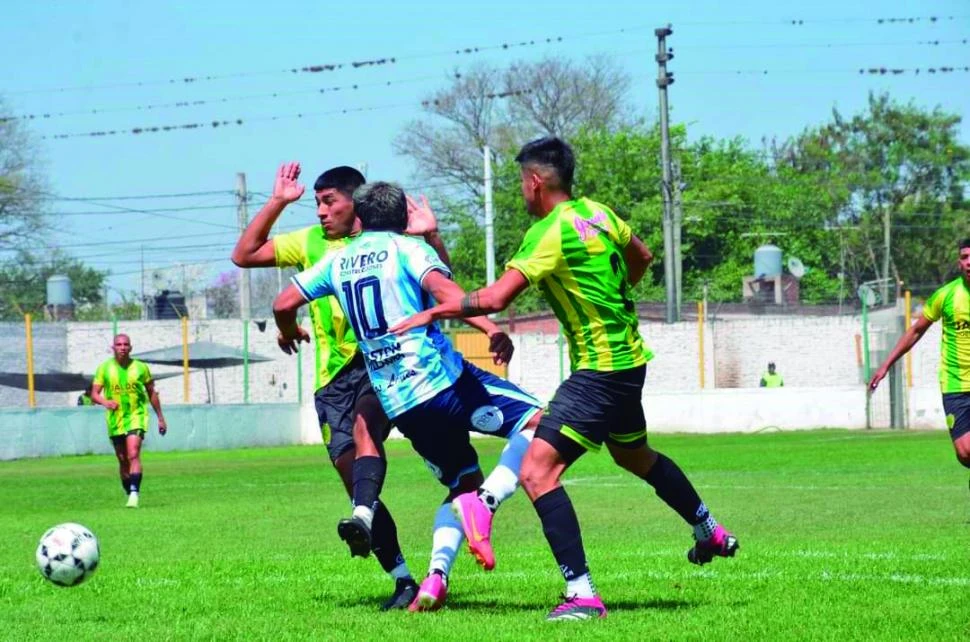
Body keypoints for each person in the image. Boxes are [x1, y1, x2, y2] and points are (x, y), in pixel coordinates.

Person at [391, 137, 739, 621]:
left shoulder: (548, 232)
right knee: (635, 456)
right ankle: (708, 530)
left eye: (520, 183)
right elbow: (641, 257)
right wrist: (608, 295)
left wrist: (435, 311)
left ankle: (581, 594)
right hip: (630, 362)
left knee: (538, 473)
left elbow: (494, 300)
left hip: (599, 371)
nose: (521, 193)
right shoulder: (599, 213)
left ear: (535, 182)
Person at [273, 181, 543, 612]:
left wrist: (288, 330)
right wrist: (488, 323)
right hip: (442, 383)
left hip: (401, 404)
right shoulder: (407, 249)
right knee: (539, 424)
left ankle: (435, 578)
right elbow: (454, 298)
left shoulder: (338, 261)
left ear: (359, 218)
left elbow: (283, 301)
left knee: (461, 481)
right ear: (403, 221)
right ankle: (486, 505)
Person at [231, 163, 440, 610]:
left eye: (330, 203)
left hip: (377, 361)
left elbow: (441, 279)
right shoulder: (308, 242)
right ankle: (403, 579)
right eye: (317, 204)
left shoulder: (381, 239)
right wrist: (277, 202)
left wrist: (431, 236)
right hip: (331, 380)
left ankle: (460, 500)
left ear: (355, 203)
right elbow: (244, 255)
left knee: (374, 438)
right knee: (354, 481)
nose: (322, 212)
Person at [870, 238, 970, 472]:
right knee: (965, 453)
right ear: (959, 263)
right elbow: (915, 331)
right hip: (955, 382)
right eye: (964, 257)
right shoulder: (946, 295)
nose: (969, 262)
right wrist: (886, 365)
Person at [90, 334, 167, 508]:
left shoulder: (141, 368)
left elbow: (151, 393)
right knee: (122, 459)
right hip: (115, 419)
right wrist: (105, 402)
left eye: (126, 344)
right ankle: (128, 491)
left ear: (131, 348)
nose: (123, 347)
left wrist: (160, 418)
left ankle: (134, 494)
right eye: (119, 344)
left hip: (136, 415)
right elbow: (94, 394)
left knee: (133, 453)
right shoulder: (104, 368)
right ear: (113, 347)